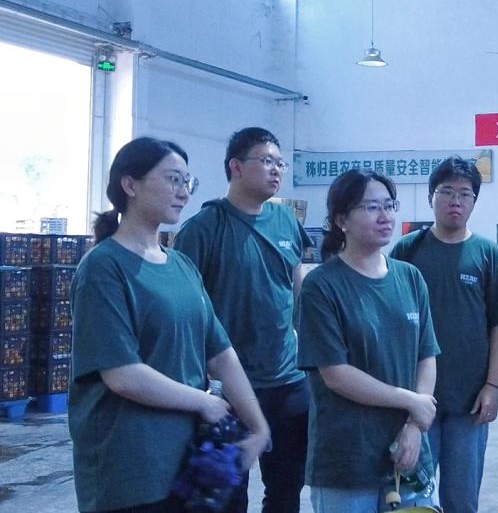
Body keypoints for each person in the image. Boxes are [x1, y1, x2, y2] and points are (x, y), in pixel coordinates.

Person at [69, 137, 270, 513]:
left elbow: (221, 354)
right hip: (131, 470)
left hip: (187, 465)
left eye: (187, 182)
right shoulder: (103, 268)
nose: (184, 192)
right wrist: (204, 401)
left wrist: (258, 426)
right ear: (130, 185)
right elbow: (123, 375)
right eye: (173, 179)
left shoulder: (181, 266)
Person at [174, 127, 313, 513]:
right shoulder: (204, 228)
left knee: (286, 491)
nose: (276, 170)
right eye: (266, 161)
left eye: (280, 163)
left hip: (287, 381)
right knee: (226, 492)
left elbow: (296, 283)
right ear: (235, 167)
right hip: (228, 387)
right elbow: (187, 309)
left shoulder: (286, 221)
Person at [297, 170, 440, 513]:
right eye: (372, 207)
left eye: (389, 205)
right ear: (341, 220)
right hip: (348, 458)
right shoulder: (322, 286)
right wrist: (412, 402)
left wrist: (415, 425)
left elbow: (426, 356)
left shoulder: (410, 277)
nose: (385, 216)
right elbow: (336, 375)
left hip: (409, 454)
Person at [390, 156, 498, 513]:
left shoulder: (487, 255)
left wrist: (492, 386)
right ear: (431, 196)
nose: (455, 201)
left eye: (464, 193)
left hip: (469, 401)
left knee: (461, 500)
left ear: (474, 201)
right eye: (446, 191)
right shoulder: (407, 250)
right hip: (414, 399)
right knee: (413, 500)